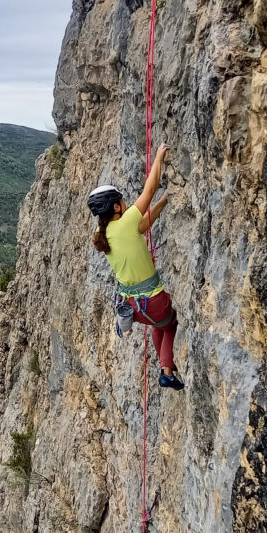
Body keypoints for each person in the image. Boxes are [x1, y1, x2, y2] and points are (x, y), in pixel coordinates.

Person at [87, 143, 183, 390]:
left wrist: (164, 201)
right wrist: (159, 159)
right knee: (169, 324)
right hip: (155, 301)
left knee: (157, 324)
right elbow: (148, 191)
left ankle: (165, 369)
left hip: (134, 307)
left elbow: (143, 226)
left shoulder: (104, 233)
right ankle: (166, 370)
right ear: (117, 206)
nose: (127, 202)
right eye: (122, 201)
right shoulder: (126, 220)